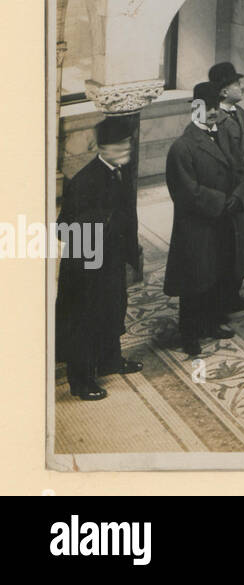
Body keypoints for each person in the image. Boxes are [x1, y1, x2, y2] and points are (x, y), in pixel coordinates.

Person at [55, 116, 144, 400]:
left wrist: (130, 254)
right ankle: (81, 382)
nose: (127, 151)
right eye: (121, 146)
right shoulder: (85, 181)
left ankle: (110, 360)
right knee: (85, 321)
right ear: (104, 148)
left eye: (128, 144)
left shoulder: (120, 171)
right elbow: (64, 227)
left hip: (112, 260)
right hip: (88, 266)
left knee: (113, 310)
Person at [164, 82, 242, 357]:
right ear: (194, 110)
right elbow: (187, 192)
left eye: (213, 108)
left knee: (217, 274)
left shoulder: (219, 137)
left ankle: (211, 323)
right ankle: (190, 334)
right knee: (195, 281)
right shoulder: (182, 147)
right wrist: (222, 202)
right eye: (205, 108)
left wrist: (235, 195)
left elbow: (236, 170)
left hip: (219, 221)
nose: (211, 114)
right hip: (196, 227)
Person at [209, 61, 244, 312]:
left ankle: (234, 294)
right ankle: (224, 299)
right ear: (224, 91)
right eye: (237, 84)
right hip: (233, 195)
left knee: (243, 245)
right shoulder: (217, 120)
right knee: (230, 247)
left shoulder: (240, 113)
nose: (242, 87)